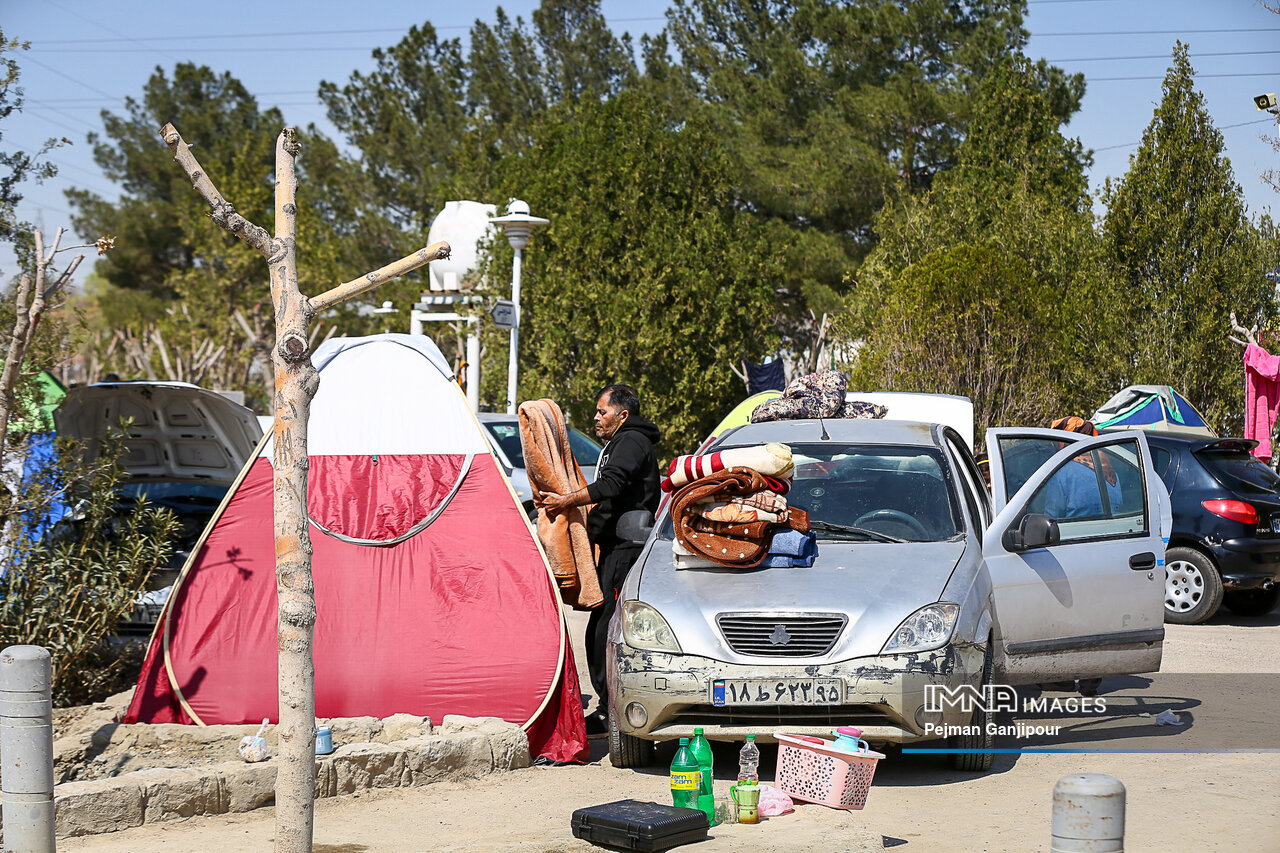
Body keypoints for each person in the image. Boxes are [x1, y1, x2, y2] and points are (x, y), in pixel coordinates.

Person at [543, 384, 661, 736]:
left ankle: (612, 709)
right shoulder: (622, 441)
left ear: (622, 415)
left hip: (626, 548)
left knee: (605, 627)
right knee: (600, 623)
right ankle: (608, 705)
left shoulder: (631, 442)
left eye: (602, 411)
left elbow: (610, 486)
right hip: (613, 546)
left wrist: (566, 500)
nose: (596, 417)